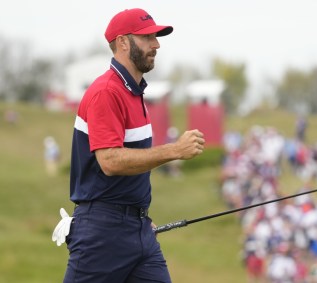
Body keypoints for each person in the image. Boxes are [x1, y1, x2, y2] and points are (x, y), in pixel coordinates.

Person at [52, 8, 205, 283]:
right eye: (148, 37)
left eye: (156, 37)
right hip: (102, 233)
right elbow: (109, 161)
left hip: (138, 229)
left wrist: (137, 218)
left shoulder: (134, 91)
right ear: (123, 42)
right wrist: (174, 150)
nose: (156, 44)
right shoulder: (106, 92)